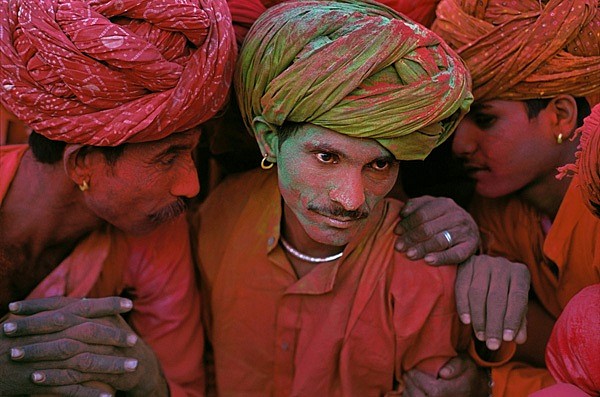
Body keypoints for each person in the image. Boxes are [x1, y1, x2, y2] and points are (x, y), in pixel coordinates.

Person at [191, 0, 523, 394]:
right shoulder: (219, 218)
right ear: (268, 140)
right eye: (326, 157)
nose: (352, 200)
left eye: (379, 165)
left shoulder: (422, 271)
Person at [0, 0, 236, 395]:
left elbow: (183, 386)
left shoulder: (158, 231)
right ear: (83, 165)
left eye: (191, 154)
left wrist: (146, 376)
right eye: (169, 157)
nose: (192, 187)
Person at [430, 0, 600, 395]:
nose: (459, 145)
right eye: (454, 122)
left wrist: (491, 385)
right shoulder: (496, 214)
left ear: (560, 116)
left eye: (484, 120)